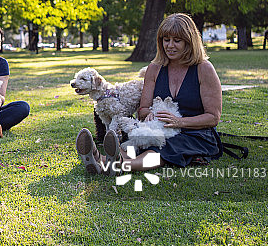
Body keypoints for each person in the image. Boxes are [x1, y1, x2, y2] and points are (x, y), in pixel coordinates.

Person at [76, 13, 223, 175]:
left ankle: (114, 165)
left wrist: (179, 122)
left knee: (163, 148)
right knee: (138, 142)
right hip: (157, 128)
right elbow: (143, 109)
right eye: (166, 40)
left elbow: (213, 117)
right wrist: (149, 115)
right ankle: (100, 159)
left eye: (177, 41)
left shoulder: (204, 69)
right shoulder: (154, 68)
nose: (170, 45)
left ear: (190, 42)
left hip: (194, 133)